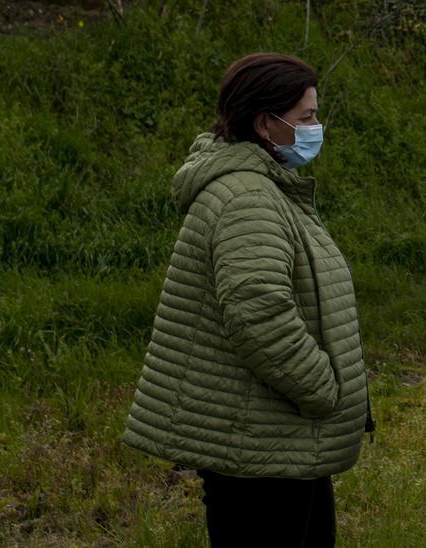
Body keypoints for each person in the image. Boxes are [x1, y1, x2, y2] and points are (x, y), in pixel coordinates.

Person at [122, 52, 370, 547]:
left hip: (272, 441)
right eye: (305, 117)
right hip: (260, 446)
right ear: (264, 123)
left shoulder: (264, 187)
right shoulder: (248, 199)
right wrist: (326, 389)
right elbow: (259, 312)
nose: (316, 127)